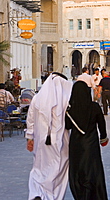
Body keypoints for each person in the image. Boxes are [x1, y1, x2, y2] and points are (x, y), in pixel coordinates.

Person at [25, 72, 72, 200]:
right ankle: (53, 197)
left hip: (41, 142)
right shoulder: (66, 100)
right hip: (60, 143)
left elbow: (30, 120)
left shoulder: (37, 98)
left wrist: (30, 137)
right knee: (58, 170)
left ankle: (37, 193)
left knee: (39, 169)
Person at [65, 81, 109, 200]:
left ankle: (81, 195)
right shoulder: (94, 107)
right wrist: (103, 138)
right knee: (92, 170)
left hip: (76, 145)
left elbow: (67, 126)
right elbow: (101, 124)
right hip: (91, 145)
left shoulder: (70, 110)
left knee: (78, 170)